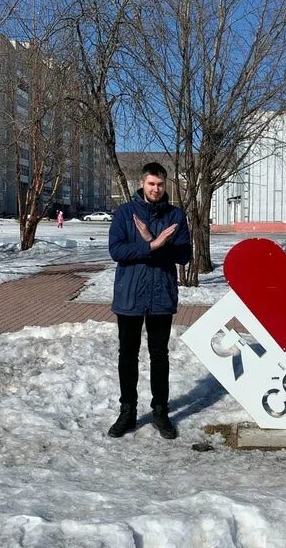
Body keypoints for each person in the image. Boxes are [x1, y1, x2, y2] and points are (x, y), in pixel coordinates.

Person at [107, 162, 191, 440]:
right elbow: (117, 251)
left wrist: (155, 243)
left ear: (165, 185)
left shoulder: (176, 215)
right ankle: (127, 412)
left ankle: (160, 412)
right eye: (151, 183)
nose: (156, 189)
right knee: (127, 356)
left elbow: (183, 255)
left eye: (160, 184)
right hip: (129, 295)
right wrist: (153, 245)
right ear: (142, 183)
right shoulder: (125, 213)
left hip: (161, 296)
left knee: (159, 356)